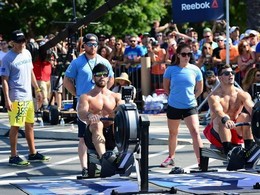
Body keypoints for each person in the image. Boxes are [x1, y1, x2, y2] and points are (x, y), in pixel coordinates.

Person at [63, 33, 114, 177]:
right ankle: (85, 167)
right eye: (90, 44)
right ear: (84, 45)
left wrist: (105, 93)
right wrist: (77, 94)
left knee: (102, 133)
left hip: (100, 104)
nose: (93, 47)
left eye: (95, 44)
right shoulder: (77, 62)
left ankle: (104, 162)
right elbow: (67, 81)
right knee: (83, 138)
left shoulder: (103, 61)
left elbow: (111, 79)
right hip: (85, 104)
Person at [1, 30, 50, 166]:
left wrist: (37, 89)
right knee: (16, 126)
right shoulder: (7, 58)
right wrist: (7, 99)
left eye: (23, 41)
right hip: (17, 97)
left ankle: (32, 153)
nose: (22, 44)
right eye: (19, 42)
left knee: (30, 124)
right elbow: (4, 79)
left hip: (28, 96)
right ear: (12, 43)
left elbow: (31, 72)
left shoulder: (27, 53)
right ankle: (13, 155)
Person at [162, 43, 204, 168]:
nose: (187, 57)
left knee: (195, 132)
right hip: (174, 105)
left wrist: (191, 98)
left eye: (189, 54)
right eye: (184, 54)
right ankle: (171, 157)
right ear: (178, 55)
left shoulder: (195, 69)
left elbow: (200, 89)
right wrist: (174, 97)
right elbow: (166, 87)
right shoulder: (171, 69)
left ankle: (201, 160)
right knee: (173, 133)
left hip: (190, 106)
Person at [204, 64, 257, 157]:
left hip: (235, 130)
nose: (231, 75)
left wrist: (257, 115)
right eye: (227, 73)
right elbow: (218, 110)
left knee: (245, 116)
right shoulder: (214, 96)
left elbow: (251, 108)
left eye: (232, 72)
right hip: (217, 133)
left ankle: (249, 150)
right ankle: (228, 151)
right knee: (222, 118)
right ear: (220, 78)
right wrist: (226, 119)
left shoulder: (242, 94)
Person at [77, 63, 123, 165]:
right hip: (93, 133)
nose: (102, 77)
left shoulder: (116, 96)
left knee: (119, 123)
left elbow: (122, 109)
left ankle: (121, 156)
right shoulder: (86, 96)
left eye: (104, 74)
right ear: (94, 77)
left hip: (112, 132)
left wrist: (115, 113)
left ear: (108, 77)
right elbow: (81, 112)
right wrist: (90, 115)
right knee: (98, 124)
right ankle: (104, 160)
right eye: (98, 74)